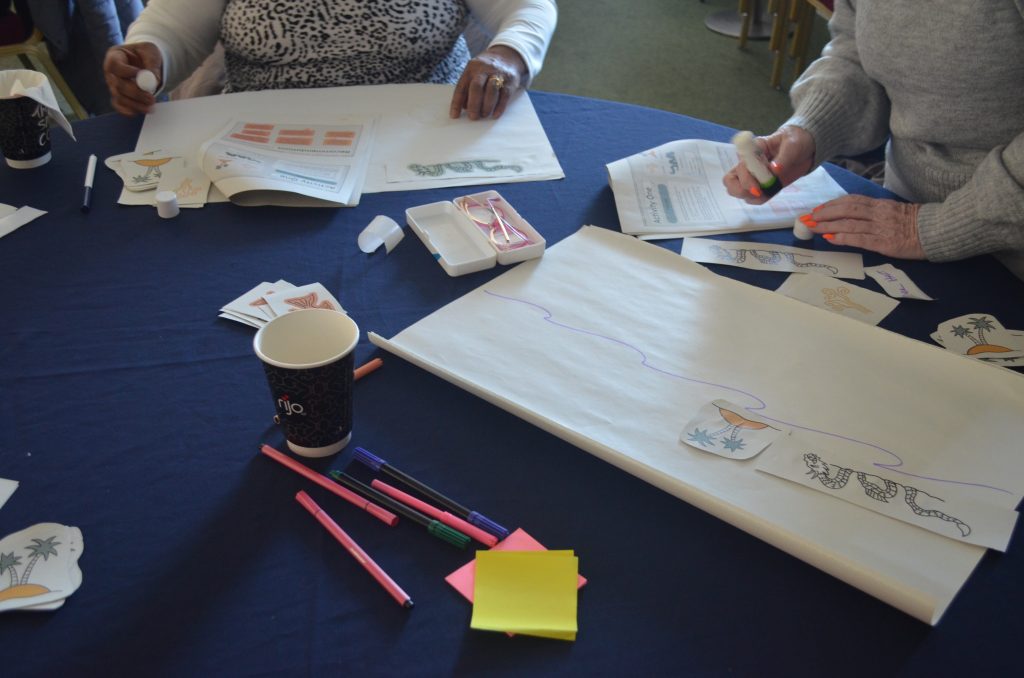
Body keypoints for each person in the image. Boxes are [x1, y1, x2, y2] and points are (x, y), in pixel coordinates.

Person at [723, 1, 1024, 278]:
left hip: (1008, 247)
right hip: (898, 210)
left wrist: (938, 227)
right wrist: (809, 130)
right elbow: (856, 52)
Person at [102, 0, 556, 121]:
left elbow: (528, 6)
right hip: (262, 139)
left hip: (421, 126)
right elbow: (174, 28)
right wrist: (150, 54)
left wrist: (508, 54)